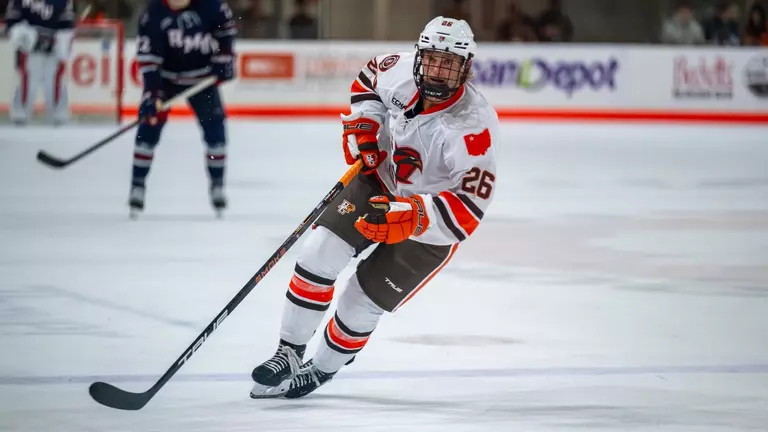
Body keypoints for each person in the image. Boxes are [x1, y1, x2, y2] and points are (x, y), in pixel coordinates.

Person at [249, 16, 499, 399]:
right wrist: (367, 123)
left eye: (449, 63)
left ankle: (321, 369)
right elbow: (368, 81)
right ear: (419, 56)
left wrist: (414, 215)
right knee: (318, 253)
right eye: (432, 58)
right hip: (380, 181)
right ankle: (289, 352)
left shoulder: (474, 126)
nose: (438, 70)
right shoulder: (396, 69)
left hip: (429, 223)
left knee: (360, 302)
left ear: (465, 68)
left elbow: (469, 208)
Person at [129, 0, 237, 218]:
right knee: (148, 129)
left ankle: (217, 185)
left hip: (202, 79)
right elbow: (148, 59)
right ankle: (137, 185)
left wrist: (224, 61)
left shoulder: (213, 6)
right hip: (165, 79)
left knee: (216, 133)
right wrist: (152, 91)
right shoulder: (153, 14)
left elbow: (226, 36)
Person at [4, 0, 74, 125]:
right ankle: (21, 114)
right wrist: (22, 35)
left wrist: (62, 42)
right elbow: (11, 22)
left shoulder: (61, 2)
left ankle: (58, 114)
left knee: (54, 82)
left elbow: (67, 25)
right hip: (29, 50)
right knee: (27, 81)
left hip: (53, 49)